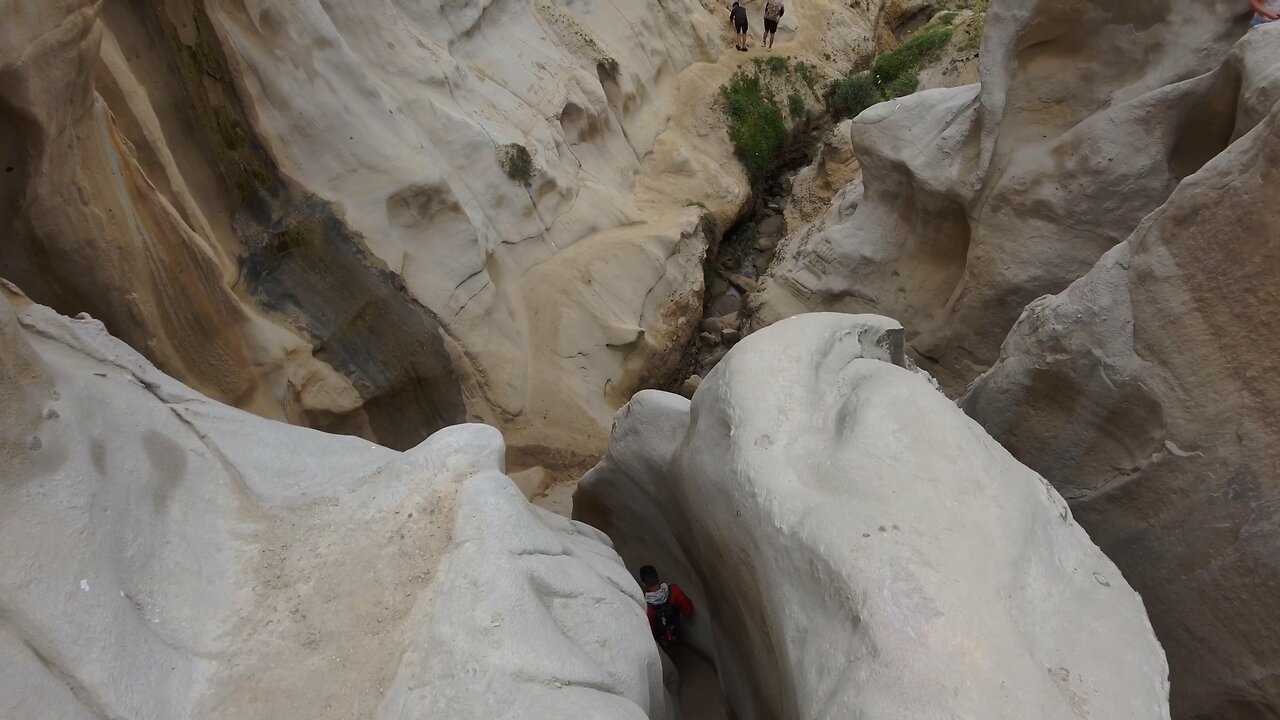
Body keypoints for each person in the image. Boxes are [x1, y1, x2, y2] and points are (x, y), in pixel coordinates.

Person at [640, 565, 694, 647]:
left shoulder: (646, 607)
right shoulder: (674, 591)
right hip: (676, 628)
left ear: (643, 584)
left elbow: (650, 630)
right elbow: (689, 610)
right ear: (658, 577)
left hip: (662, 636)